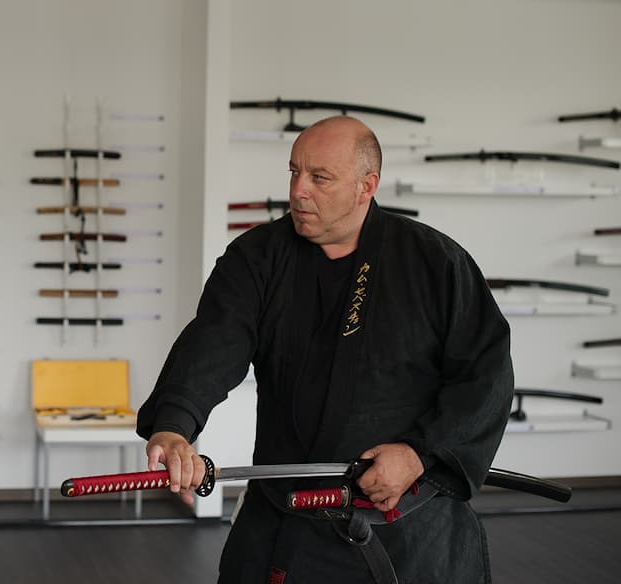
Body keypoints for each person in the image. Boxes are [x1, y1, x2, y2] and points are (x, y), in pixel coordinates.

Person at [136, 116, 514, 583]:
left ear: (366, 186)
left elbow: (485, 375)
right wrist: (176, 425)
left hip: (407, 523)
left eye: (319, 177)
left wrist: (419, 455)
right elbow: (213, 342)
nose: (299, 190)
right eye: (294, 172)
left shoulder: (433, 263)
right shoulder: (257, 257)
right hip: (286, 514)